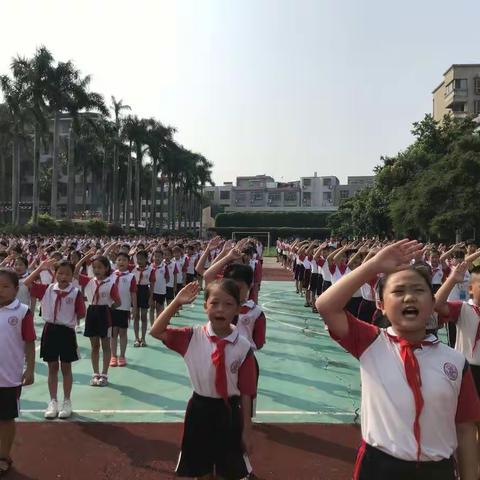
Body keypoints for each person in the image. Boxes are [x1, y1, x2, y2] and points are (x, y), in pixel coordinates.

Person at [316, 239, 480, 480]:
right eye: (398, 291)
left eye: (418, 291)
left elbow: (465, 429)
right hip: (379, 467)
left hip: (437, 470)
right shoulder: (371, 342)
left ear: (432, 303)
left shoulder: (454, 361)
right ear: (381, 305)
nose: (409, 298)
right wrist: (373, 265)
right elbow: (326, 306)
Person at [150, 280, 256, 480]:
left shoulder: (242, 347)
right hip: (200, 410)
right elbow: (156, 331)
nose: (220, 309)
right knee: (201, 470)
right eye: (214, 303)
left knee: (229, 471)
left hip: (230, 412)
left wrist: (247, 430)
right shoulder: (192, 337)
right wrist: (176, 303)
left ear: (237, 309)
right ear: (204, 305)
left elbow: (246, 392)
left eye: (228, 304)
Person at [25, 259, 86, 419]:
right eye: (60, 273)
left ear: (72, 275)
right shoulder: (48, 289)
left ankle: (67, 401)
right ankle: (53, 401)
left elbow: (81, 313)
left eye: (67, 274)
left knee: (66, 368)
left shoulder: (75, 292)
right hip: (50, 330)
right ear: (55, 274)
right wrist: (40, 268)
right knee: (52, 367)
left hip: (66, 332)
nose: (63, 276)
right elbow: (26, 284)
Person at [0, 269, 35, 476]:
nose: (0, 291)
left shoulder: (21, 311)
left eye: (5, 287)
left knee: (5, 419)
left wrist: (29, 369)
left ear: (16, 289)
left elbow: (30, 342)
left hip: (9, 377)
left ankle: (3, 455)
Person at [75, 250, 121, 387]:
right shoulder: (89, 281)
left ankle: (104, 374)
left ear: (106, 268)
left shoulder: (110, 283)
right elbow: (75, 271)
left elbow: (118, 302)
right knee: (94, 346)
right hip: (92, 312)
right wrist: (85, 257)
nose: (96, 270)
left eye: (100, 267)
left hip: (104, 313)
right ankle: (95, 374)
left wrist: (109, 307)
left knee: (105, 345)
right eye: (94, 267)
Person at [110, 252, 137, 367]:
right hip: (112, 308)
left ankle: (122, 355)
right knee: (113, 333)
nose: (121, 262)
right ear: (116, 262)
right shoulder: (111, 275)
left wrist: (134, 307)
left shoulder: (131, 276)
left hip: (124, 308)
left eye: (124, 260)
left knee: (123, 333)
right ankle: (113, 356)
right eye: (119, 259)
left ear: (128, 262)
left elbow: (133, 293)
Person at [132, 250, 154, 347]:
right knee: (136, 316)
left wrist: (151, 298)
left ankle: (143, 338)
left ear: (146, 259)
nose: (139, 261)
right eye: (138, 259)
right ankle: (137, 338)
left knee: (144, 316)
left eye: (141, 259)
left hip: (145, 291)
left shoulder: (150, 270)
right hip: (135, 292)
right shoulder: (133, 269)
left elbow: (152, 285)